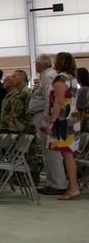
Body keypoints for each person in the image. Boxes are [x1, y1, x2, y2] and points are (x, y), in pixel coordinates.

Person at [0, 69, 41, 185]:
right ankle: (21, 177)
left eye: (14, 77)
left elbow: (29, 111)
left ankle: (32, 178)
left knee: (30, 155)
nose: (12, 79)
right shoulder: (16, 93)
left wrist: (27, 128)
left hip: (24, 129)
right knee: (18, 154)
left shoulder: (27, 92)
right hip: (15, 128)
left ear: (22, 78)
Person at [47, 52, 81, 200]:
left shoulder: (61, 78)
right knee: (68, 154)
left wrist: (52, 121)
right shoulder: (72, 78)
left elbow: (59, 102)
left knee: (67, 154)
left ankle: (73, 188)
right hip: (72, 118)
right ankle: (73, 187)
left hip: (63, 120)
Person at [30, 53, 65, 195]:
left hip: (44, 118)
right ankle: (51, 183)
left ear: (38, 64)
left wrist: (46, 120)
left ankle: (58, 184)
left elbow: (49, 101)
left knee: (52, 152)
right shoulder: (46, 76)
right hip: (40, 116)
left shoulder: (48, 76)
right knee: (47, 152)